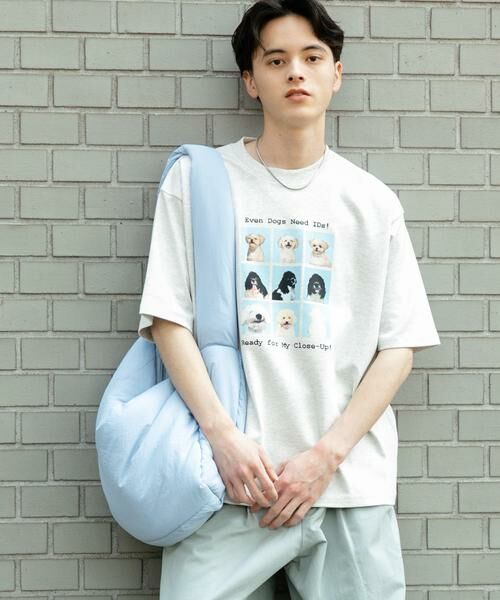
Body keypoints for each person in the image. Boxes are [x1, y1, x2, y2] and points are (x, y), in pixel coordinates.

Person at [137, 0, 441, 598]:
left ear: (337, 73)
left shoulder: (372, 202)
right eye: (275, 60)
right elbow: (169, 319)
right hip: (230, 485)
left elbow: (399, 345)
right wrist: (225, 441)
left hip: (348, 486)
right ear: (250, 81)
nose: (296, 72)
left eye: (312, 57)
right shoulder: (199, 182)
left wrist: (325, 457)